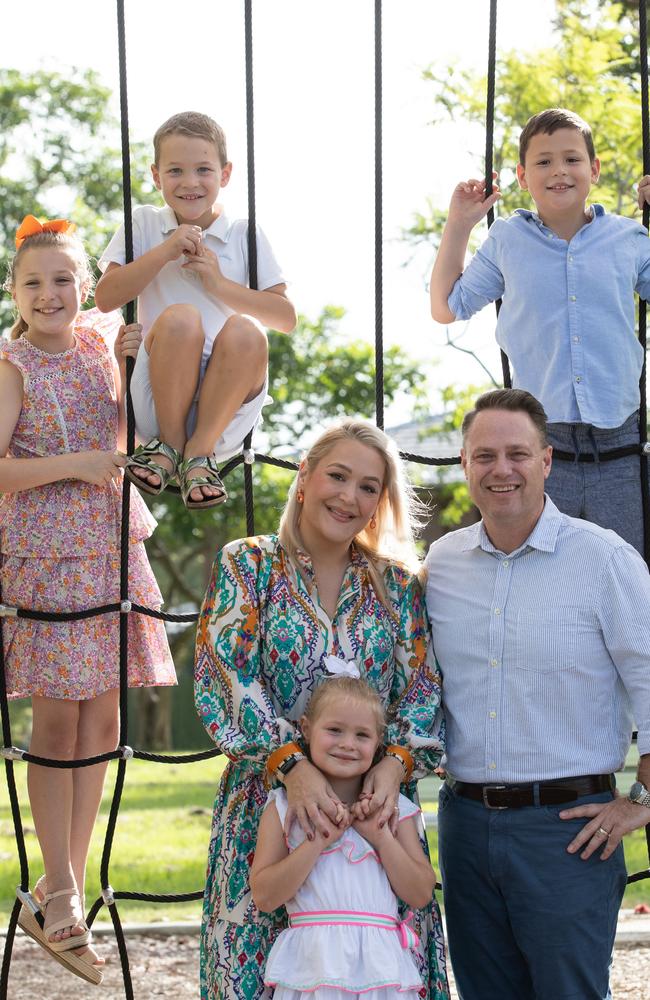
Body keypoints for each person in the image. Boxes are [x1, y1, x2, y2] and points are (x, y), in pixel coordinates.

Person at [194, 419, 449, 1000]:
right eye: (338, 475)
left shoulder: (397, 585)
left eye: (368, 486)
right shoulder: (248, 565)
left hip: (375, 816)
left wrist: (393, 768)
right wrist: (293, 766)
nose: (349, 496)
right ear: (304, 478)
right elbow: (223, 676)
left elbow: (422, 692)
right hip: (268, 810)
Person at [424, 387, 650, 1000]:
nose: (502, 470)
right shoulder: (439, 566)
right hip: (465, 826)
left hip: (569, 833)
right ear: (465, 464)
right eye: (484, 455)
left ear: (546, 460)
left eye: (517, 454)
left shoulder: (604, 559)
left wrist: (644, 799)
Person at [0, 216, 176, 985]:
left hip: (109, 543)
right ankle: (61, 884)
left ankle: (58, 888)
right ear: (14, 293)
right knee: (59, 718)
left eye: (62, 279)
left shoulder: (104, 340)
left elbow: (131, 300)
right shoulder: (10, 364)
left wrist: (136, 358)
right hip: (45, 551)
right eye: (34, 282)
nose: (50, 294)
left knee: (104, 717)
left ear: (80, 286)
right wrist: (82, 462)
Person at [429, 107, 650, 555]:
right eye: (543, 161)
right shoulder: (509, 240)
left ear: (595, 169)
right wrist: (459, 224)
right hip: (541, 445)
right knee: (545, 566)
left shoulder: (628, 239)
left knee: (629, 571)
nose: (559, 171)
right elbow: (447, 306)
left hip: (621, 442)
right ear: (522, 176)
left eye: (571, 159)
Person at [95, 110, 296, 510]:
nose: (189, 182)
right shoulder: (144, 223)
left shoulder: (244, 233)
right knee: (184, 317)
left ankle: (199, 455)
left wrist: (219, 285)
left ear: (225, 174)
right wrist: (165, 252)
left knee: (247, 330)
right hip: (156, 403)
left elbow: (285, 319)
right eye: (175, 171)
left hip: (225, 412)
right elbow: (106, 297)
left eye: (203, 169)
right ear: (156, 176)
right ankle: (170, 446)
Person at [250, 670, 435, 1000]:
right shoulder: (281, 807)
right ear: (306, 730)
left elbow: (420, 893)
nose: (348, 744)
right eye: (334, 730)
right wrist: (318, 840)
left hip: (382, 975)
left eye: (362, 735)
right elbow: (265, 897)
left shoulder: (395, 808)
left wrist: (381, 838)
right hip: (311, 971)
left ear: (379, 741)